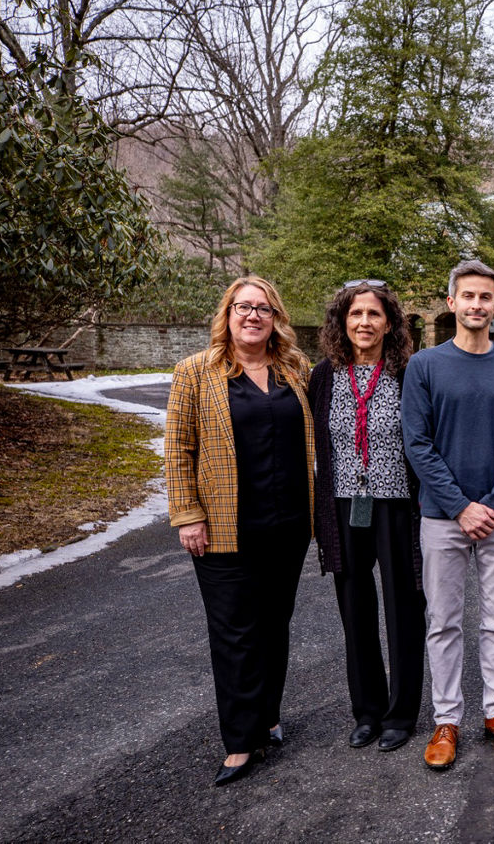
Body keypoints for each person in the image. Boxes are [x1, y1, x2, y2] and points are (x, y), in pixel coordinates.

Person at [165, 276, 314, 786]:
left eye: (263, 308)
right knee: (234, 632)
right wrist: (187, 514)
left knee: (275, 623)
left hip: (289, 523)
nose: (252, 316)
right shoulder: (195, 373)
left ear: (276, 318)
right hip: (224, 527)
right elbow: (178, 449)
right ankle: (239, 740)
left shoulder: (295, 369)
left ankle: (268, 716)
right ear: (227, 314)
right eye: (243, 306)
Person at [402, 259, 494, 770]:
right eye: (468, 297)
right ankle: (447, 719)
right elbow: (417, 444)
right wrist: (461, 506)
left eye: (486, 297)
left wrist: (492, 505)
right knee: (443, 620)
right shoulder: (425, 366)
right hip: (443, 516)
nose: (476, 305)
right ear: (451, 302)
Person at [310, 280, 425, 754]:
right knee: (354, 608)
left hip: (397, 504)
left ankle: (400, 713)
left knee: (403, 607)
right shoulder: (323, 376)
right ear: (341, 322)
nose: (363, 322)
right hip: (343, 506)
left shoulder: (408, 373)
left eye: (373, 314)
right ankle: (367, 711)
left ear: (389, 323)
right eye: (355, 314)